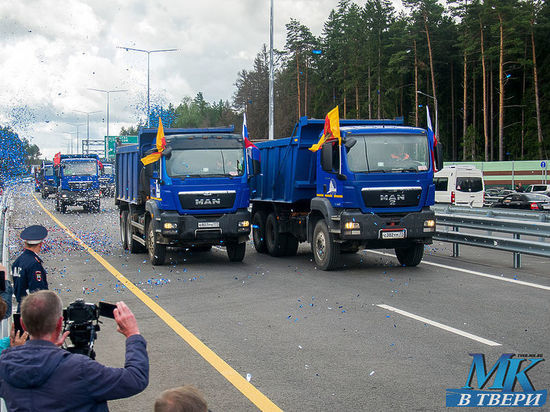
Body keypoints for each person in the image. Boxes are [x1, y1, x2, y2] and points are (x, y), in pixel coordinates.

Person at [0, 290, 149, 411]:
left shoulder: (5, 364)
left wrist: (31, 352)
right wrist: (133, 334)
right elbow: (135, 379)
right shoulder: (80, 369)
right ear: (59, 323)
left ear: (22, 324)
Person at [11, 225, 49, 312]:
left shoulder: (17, 261)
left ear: (25, 244)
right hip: (32, 311)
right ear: (40, 244)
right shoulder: (34, 264)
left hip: (21, 307)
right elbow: (38, 290)